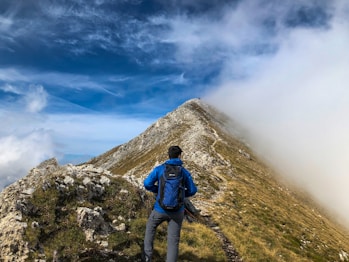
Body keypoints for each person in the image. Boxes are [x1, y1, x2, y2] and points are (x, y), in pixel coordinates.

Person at [142, 146, 197, 262]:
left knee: (150, 228)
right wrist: (181, 194)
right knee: (173, 240)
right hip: (177, 212)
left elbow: (147, 184)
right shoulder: (184, 172)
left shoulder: (160, 169)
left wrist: (157, 190)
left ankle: (147, 258)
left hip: (159, 209)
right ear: (179, 156)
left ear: (168, 155)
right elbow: (192, 190)